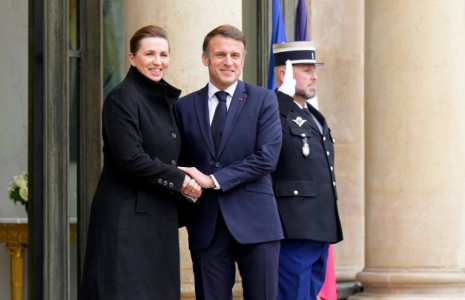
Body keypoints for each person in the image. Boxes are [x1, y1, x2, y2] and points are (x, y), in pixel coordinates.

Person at [79, 25, 201, 300]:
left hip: (157, 219)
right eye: (150, 54)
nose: (158, 61)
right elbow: (130, 159)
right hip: (126, 220)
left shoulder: (164, 101)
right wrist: (181, 181)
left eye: (164, 54)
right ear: (132, 58)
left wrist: (189, 186)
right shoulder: (122, 97)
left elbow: (171, 157)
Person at [175, 25, 283, 300]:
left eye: (235, 55)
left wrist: (213, 180)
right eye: (220, 54)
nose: (228, 61)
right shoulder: (183, 107)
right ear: (205, 58)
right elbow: (180, 161)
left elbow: (266, 158)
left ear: (243, 60)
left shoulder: (264, 100)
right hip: (206, 224)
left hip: (258, 222)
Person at [271, 41, 343, 300]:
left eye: (315, 69)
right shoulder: (272, 109)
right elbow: (265, 141)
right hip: (294, 227)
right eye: (306, 70)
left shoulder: (312, 114)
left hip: (319, 226)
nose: (314, 76)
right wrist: (281, 98)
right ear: (284, 74)